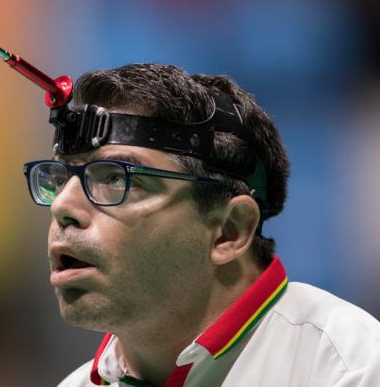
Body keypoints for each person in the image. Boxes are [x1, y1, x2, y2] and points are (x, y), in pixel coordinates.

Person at [23, 64, 380, 386]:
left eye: (116, 178)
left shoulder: (349, 369)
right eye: (60, 177)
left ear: (230, 230)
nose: (64, 206)